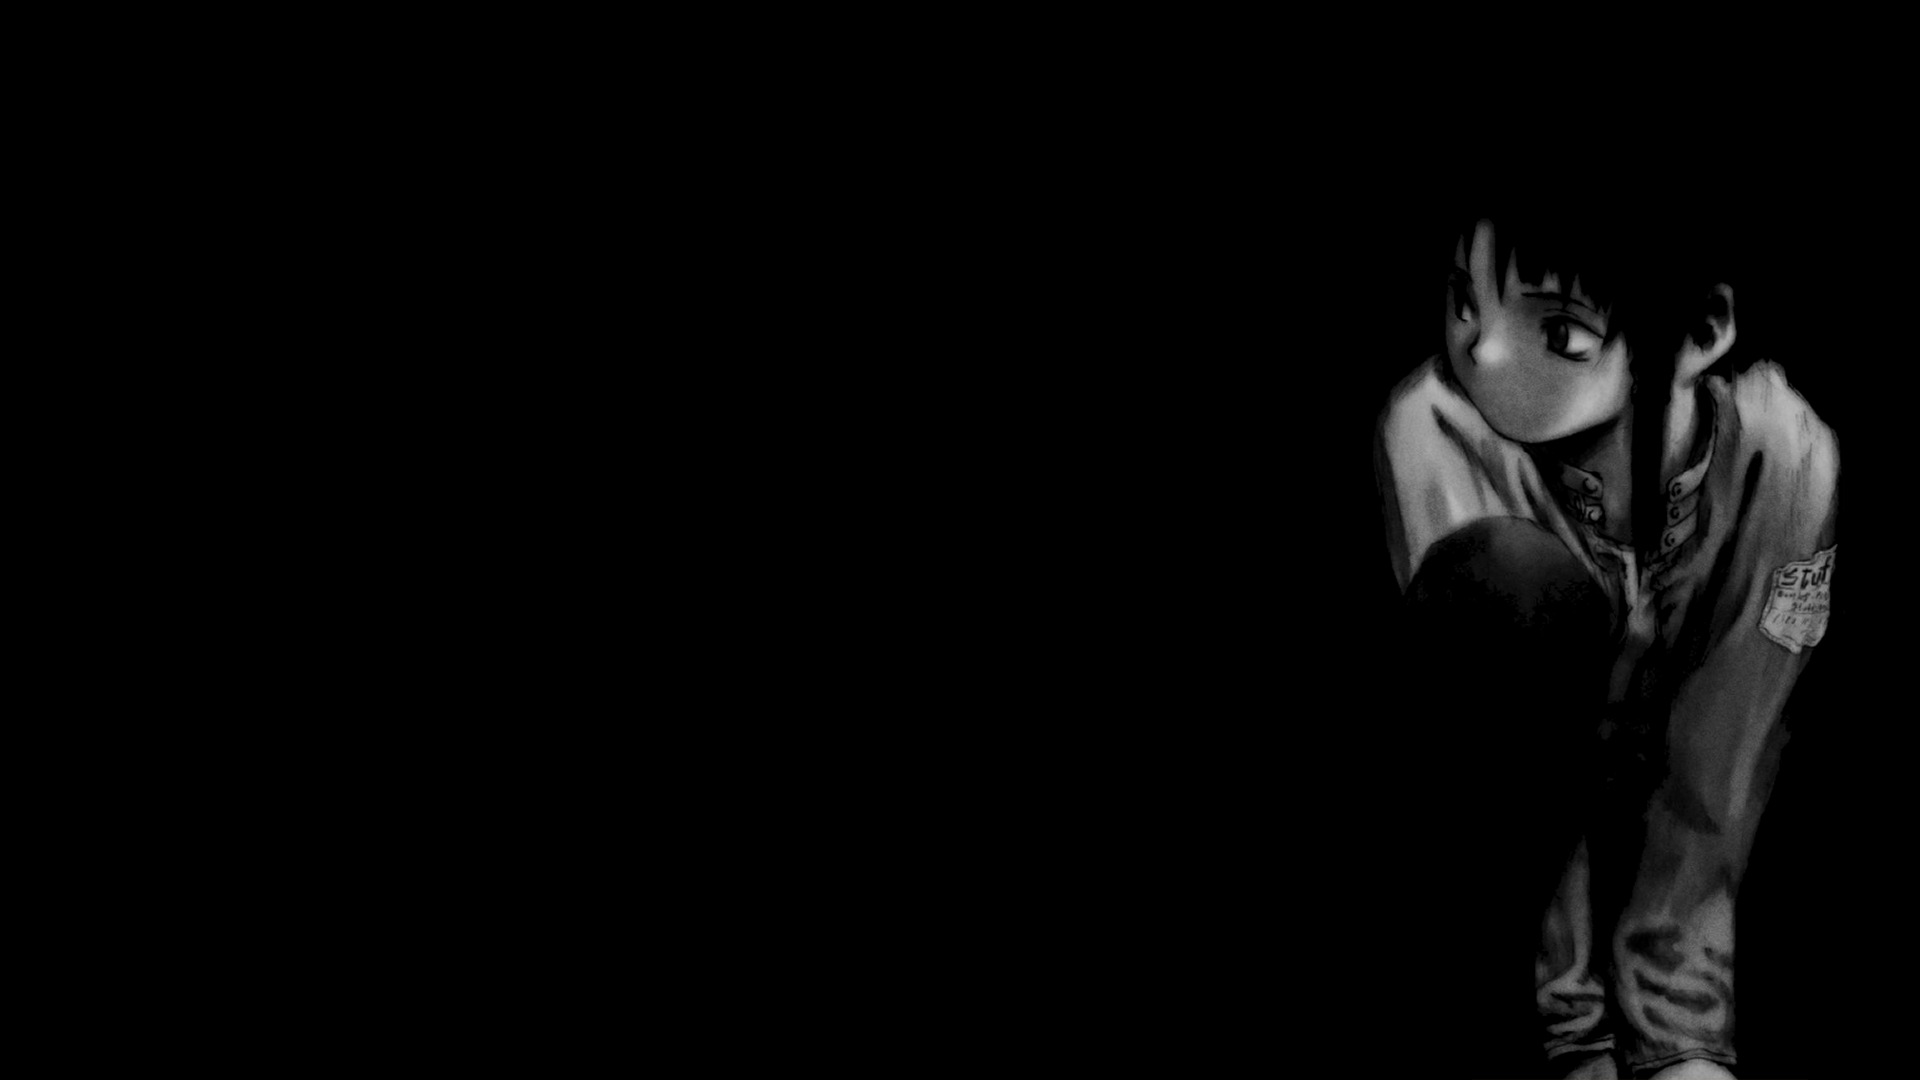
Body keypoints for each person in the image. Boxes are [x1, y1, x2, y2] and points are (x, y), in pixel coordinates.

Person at [1374, 203, 1838, 1079]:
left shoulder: (1784, 461)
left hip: (1672, 858)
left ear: (1703, 332)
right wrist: (1572, 1038)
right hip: (1499, 870)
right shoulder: (1434, 429)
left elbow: (1721, 762)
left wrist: (1683, 1039)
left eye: (1560, 332)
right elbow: (1502, 769)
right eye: (1464, 302)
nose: (1481, 353)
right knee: (1508, 583)